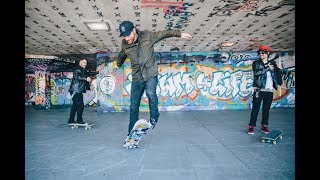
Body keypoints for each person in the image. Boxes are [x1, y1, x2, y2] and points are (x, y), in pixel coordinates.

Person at [116, 20, 192, 143]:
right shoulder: (125, 44)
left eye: (128, 35)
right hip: (137, 77)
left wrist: (179, 34)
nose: (126, 38)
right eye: (124, 36)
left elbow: (164, 33)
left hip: (150, 74)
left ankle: (153, 118)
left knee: (151, 93)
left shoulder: (147, 36)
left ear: (134, 30)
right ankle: (130, 133)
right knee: (134, 106)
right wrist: (118, 64)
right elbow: (122, 54)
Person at [247, 45, 283, 135]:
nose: (261, 54)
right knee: (255, 109)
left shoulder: (273, 63)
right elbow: (257, 73)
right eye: (260, 53)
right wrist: (267, 68)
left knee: (266, 109)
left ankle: (264, 126)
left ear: (267, 54)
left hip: (269, 90)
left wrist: (279, 69)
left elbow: (277, 75)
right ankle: (251, 126)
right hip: (259, 89)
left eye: (263, 53)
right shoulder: (256, 63)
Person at [68, 59, 92, 124]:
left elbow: (88, 74)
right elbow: (77, 77)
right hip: (76, 90)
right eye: (84, 62)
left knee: (75, 106)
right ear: (80, 63)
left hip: (77, 90)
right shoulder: (77, 69)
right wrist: (85, 78)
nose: (85, 64)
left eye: (86, 63)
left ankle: (71, 120)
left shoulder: (82, 70)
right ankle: (79, 120)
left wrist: (98, 72)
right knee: (80, 105)